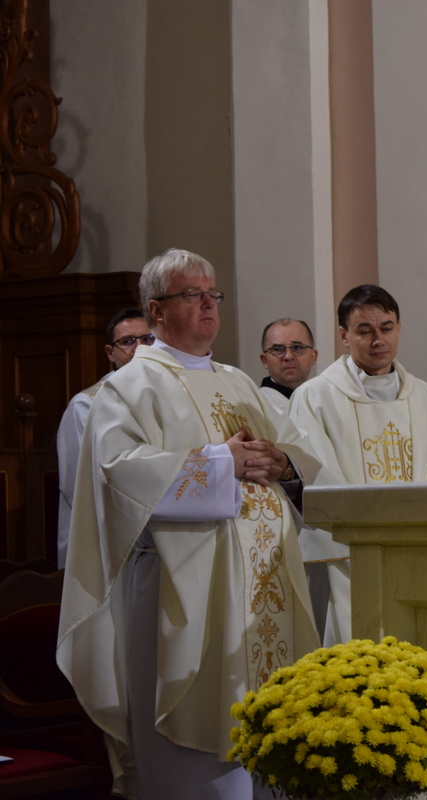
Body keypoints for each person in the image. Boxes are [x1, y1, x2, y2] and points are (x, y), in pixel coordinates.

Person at [56, 249, 321, 800]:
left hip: (262, 587)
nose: (208, 304)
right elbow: (117, 473)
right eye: (192, 294)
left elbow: (298, 454)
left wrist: (282, 463)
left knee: (273, 751)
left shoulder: (239, 382)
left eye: (212, 294)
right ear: (156, 309)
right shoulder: (130, 387)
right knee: (196, 767)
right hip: (181, 590)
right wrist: (222, 462)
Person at [289, 284, 427, 643]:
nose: (378, 340)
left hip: (417, 554)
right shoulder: (315, 397)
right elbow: (316, 475)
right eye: (364, 331)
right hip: (347, 558)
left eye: (386, 328)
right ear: (344, 335)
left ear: (399, 328)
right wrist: (373, 534)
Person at [55, 307, 154, 568]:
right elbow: (79, 485)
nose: (140, 349)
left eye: (148, 339)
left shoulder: (166, 397)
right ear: (111, 353)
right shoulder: (86, 405)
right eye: (128, 341)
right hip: (103, 538)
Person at [257, 317, 319, 412]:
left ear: (313, 357)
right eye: (277, 349)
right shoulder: (255, 406)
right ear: (265, 360)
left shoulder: (324, 400)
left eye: (297, 348)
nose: (288, 356)